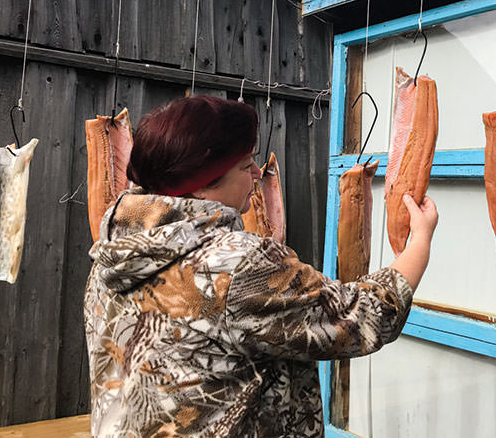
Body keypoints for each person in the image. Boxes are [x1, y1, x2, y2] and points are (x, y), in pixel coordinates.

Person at [84, 95, 438, 437]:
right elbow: (360, 317)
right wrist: (420, 241)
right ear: (204, 186)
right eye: (244, 165)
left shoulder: (109, 257)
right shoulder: (239, 265)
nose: (256, 172)